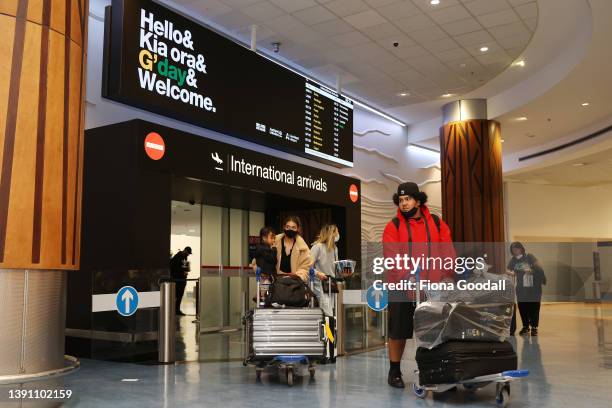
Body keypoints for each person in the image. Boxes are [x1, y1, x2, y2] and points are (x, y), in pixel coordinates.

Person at [382, 182, 455, 388]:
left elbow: (447, 251)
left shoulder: (437, 223)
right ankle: (394, 371)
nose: (404, 204)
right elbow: (391, 256)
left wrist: (447, 275)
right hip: (401, 287)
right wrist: (407, 278)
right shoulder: (393, 226)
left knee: (436, 331)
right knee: (398, 330)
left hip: (432, 288)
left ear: (418, 200)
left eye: (408, 199)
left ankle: (436, 370)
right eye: (401, 200)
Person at [507, 242, 546, 336]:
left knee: (534, 307)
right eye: (513, 249)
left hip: (534, 288)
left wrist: (531, 270)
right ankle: (525, 327)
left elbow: (539, 267)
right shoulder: (513, 260)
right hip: (521, 288)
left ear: (521, 249)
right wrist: (511, 273)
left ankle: (534, 328)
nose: (515, 250)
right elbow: (508, 269)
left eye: (517, 248)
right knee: (522, 308)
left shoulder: (530, 257)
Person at [311, 224, 340, 316]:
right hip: (319, 283)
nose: (338, 234)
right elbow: (307, 266)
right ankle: (328, 329)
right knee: (328, 312)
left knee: (331, 310)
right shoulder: (317, 247)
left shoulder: (335, 249)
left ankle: (329, 329)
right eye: (336, 232)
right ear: (331, 234)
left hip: (331, 283)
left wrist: (343, 273)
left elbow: (335, 269)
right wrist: (317, 273)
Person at [274, 216, 312, 282]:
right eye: (287, 227)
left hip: (294, 283)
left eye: (293, 227)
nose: (290, 229)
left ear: (298, 229)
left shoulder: (303, 247)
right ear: (284, 227)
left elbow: (306, 267)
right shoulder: (274, 241)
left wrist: (297, 275)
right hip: (275, 281)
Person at [252, 226, 277, 303]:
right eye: (271, 238)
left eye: (274, 238)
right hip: (266, 275)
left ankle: (260, 297)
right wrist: (274, 250)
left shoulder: (260, 248)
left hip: (264, 274)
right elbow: (273, 260)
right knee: (265, 292)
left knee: (264, 290)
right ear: (264, 238)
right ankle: (261, 298)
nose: (273, 240)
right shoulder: (265, 249)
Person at [169, 246, 192, 315]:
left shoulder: (184, 257)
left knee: (179, 295)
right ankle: (173, 310)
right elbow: (174, 267)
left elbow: (183, 267)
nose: (188, 255)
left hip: (182, 279)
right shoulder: (177, 256)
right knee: (176, 295)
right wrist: (182, 271)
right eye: (188, 253)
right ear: (185, 250)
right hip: (177, 279)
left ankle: (177, 310)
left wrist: (186, 270)